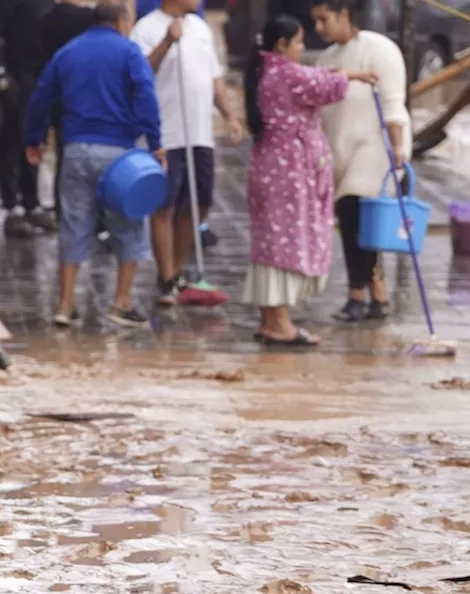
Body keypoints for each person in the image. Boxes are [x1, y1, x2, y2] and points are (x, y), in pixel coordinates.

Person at [25, 0, 161, 329]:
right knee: (127, 223)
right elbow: (145, 94)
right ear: (120, 20)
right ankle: (121, 302)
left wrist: (34, 139)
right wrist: (155, 143)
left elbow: (41, 96)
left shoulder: (68, 52)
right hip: (118, 156)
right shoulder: (128, 53)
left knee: (73, 222)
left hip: (75, 150)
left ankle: (65, 304)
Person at [245, 15, 376, 347]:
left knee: (271, 242)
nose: (303, 48)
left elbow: (318, 76)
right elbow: (327, 86)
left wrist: (352, 74)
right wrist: (350, 75)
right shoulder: (287, 75)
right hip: (288, 171)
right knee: (286, 241)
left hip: (271, 166)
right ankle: (280, 323)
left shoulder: (267, 70)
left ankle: (270, 320)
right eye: (300, 42)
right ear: (282, 45)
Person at [131, 0, 243, 306]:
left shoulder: (201, 28)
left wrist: (230, 115)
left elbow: (214, 78)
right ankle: (167, 277)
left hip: (199, 133)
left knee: (200, 203)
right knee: (164, 205)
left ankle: (177, 269)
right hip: (166, 133)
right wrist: (167, 41)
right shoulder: (146, 28)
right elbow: (139, 74)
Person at [312, 0, 410, 323]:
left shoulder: (379, 49)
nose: (319, 28)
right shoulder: (327, 59)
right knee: (354, 227)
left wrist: (397, 149)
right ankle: (376, 294)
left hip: (376, 149)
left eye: (324, 20)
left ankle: (358, 293)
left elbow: (394, 102)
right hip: (341, 152)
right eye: (315, 22)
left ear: (344, 15)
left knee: (361, 221)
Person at [0, 0, 58, 237]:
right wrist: (0, 74)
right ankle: (12, 206)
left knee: (34, 138)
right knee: (13, 138)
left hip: (40, 72)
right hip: (17, 72)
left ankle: (32, 202)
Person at [38, 0, 98, 226]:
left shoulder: (44, 20)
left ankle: (62, 209)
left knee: (63, 157)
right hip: (88, 96)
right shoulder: (89, 18)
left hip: (58, 97)